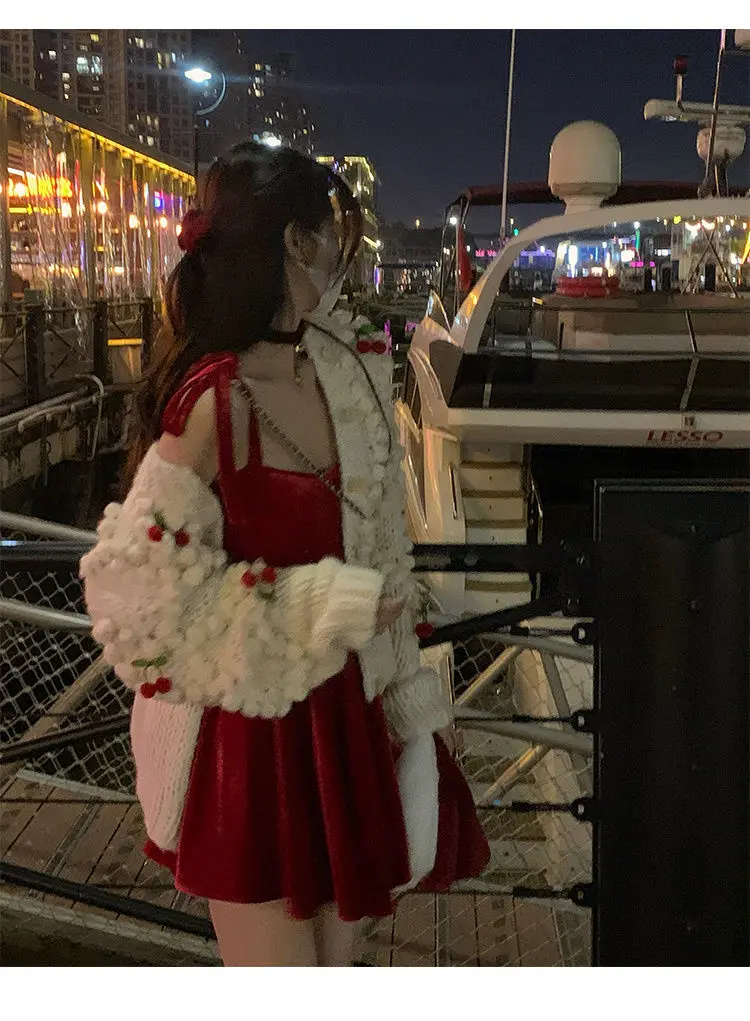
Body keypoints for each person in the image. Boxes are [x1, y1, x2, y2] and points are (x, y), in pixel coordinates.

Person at [81, 142, 489, 967]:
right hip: (251, 747)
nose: (343, 258)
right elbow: (137, 601)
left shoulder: (347, 374)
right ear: (298, 244)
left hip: (351, 726)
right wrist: (309, 605)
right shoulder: (214, 402)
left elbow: (383, 557)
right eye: (334, 237)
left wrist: (411, 700)